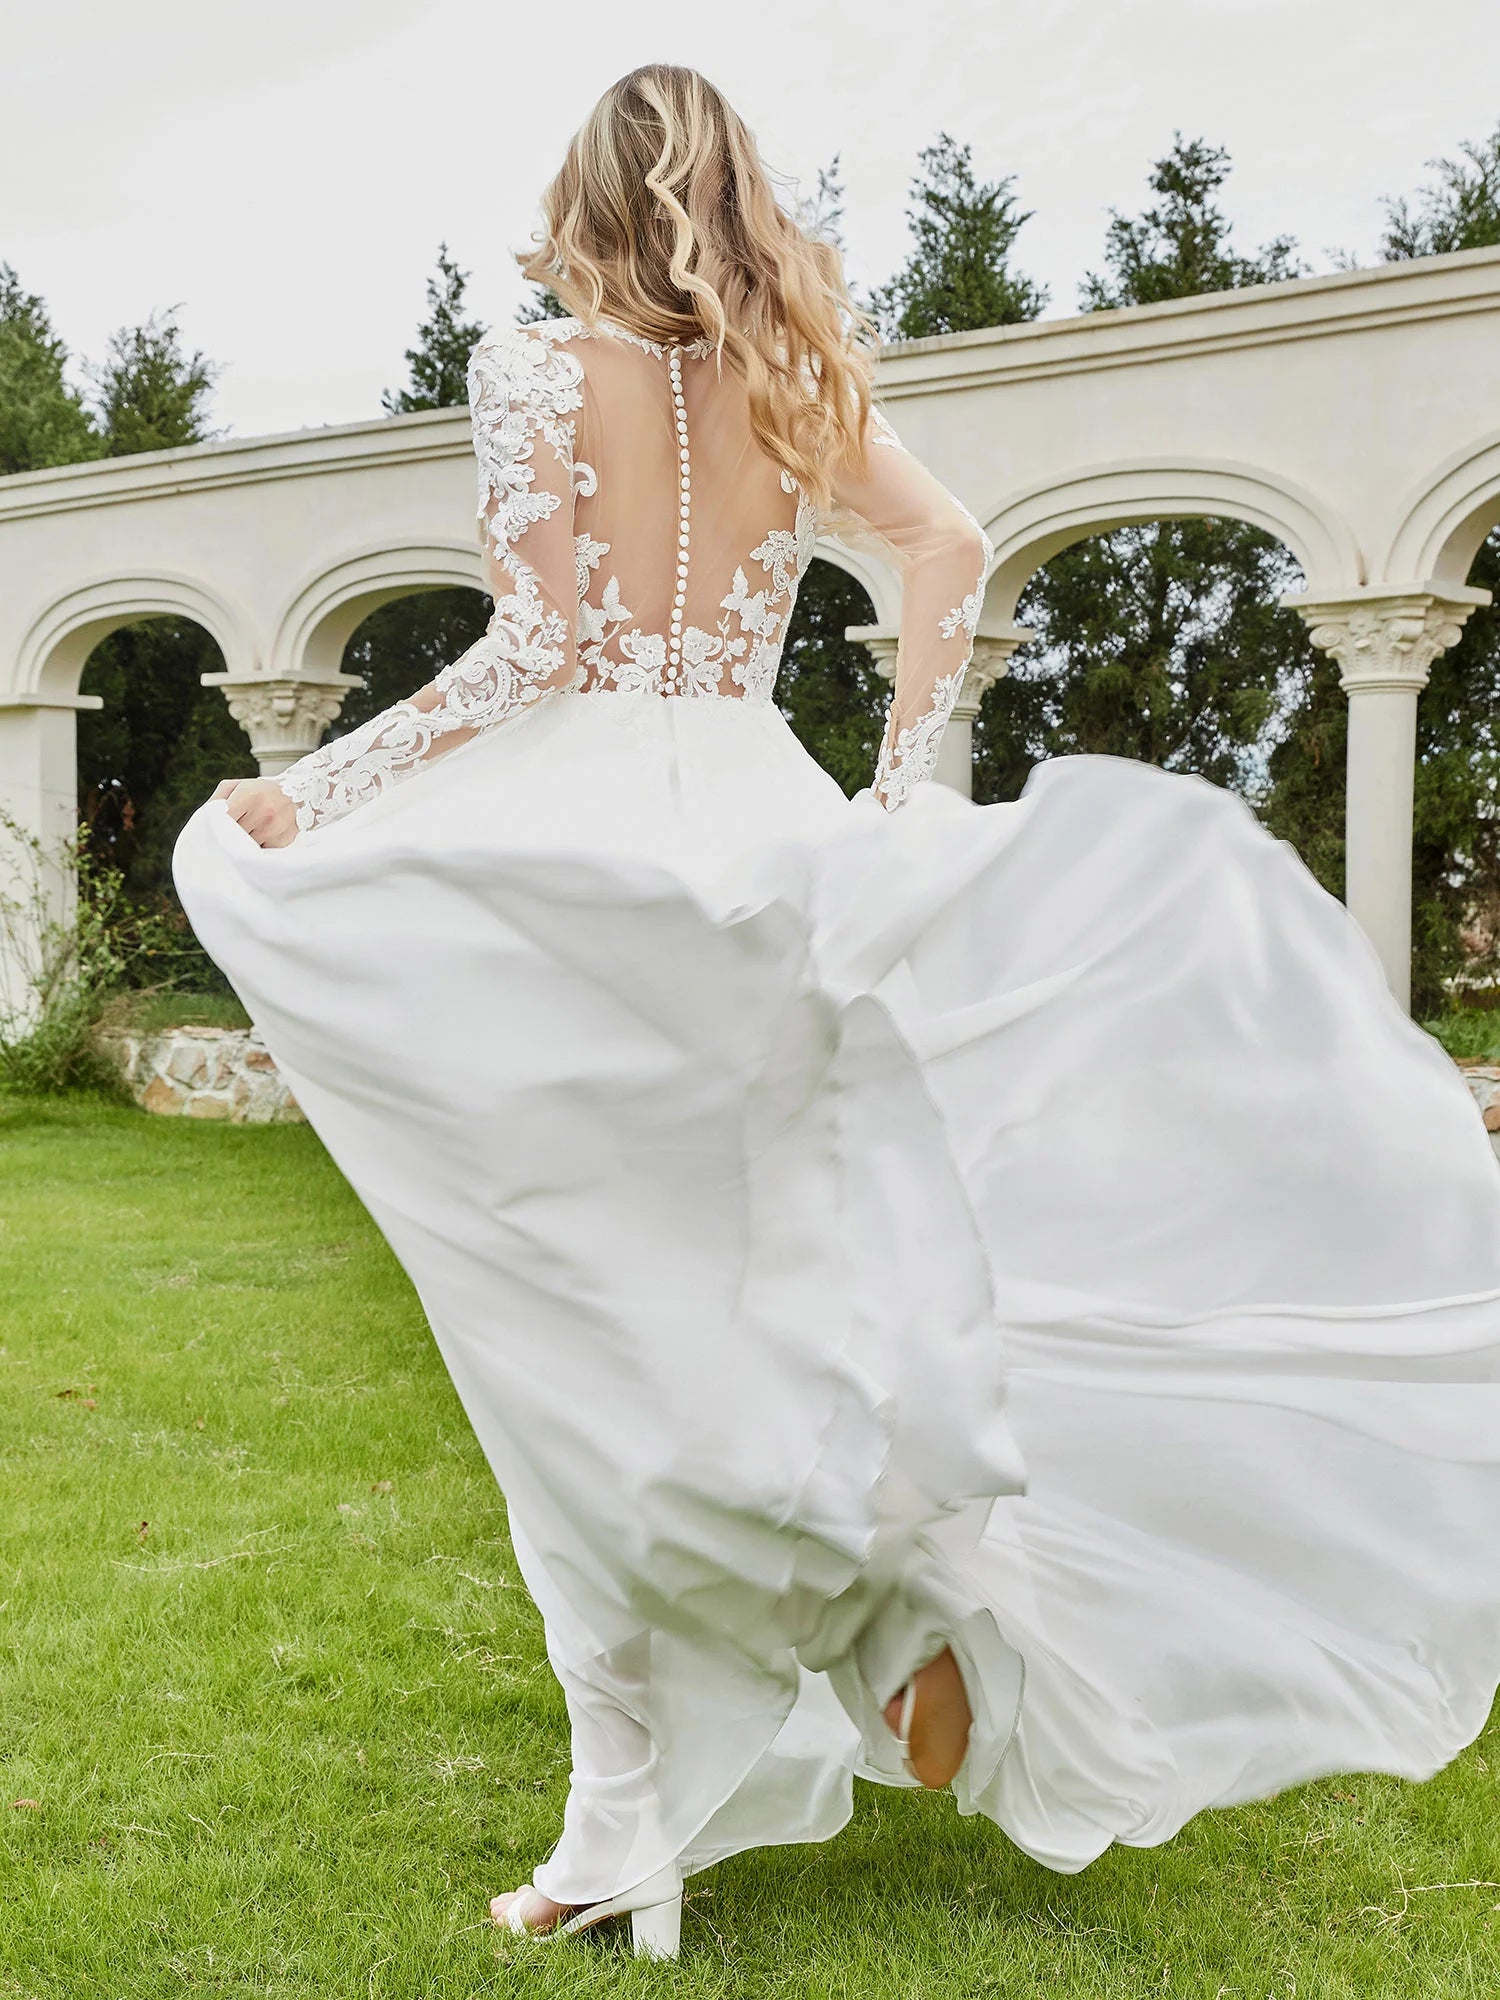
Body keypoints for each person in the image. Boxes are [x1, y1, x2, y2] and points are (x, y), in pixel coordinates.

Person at [173, 63, 1500, 1964]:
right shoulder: (798, 373)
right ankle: (886, 1650)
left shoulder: (538, 368)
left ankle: (636, 1811)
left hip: (578, 858)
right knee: (794, 1296)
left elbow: (534, 650)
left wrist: (329, 791)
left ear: (587, 197)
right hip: (763, 833)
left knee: (581, 1342)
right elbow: (947, 551)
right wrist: (891, 797)